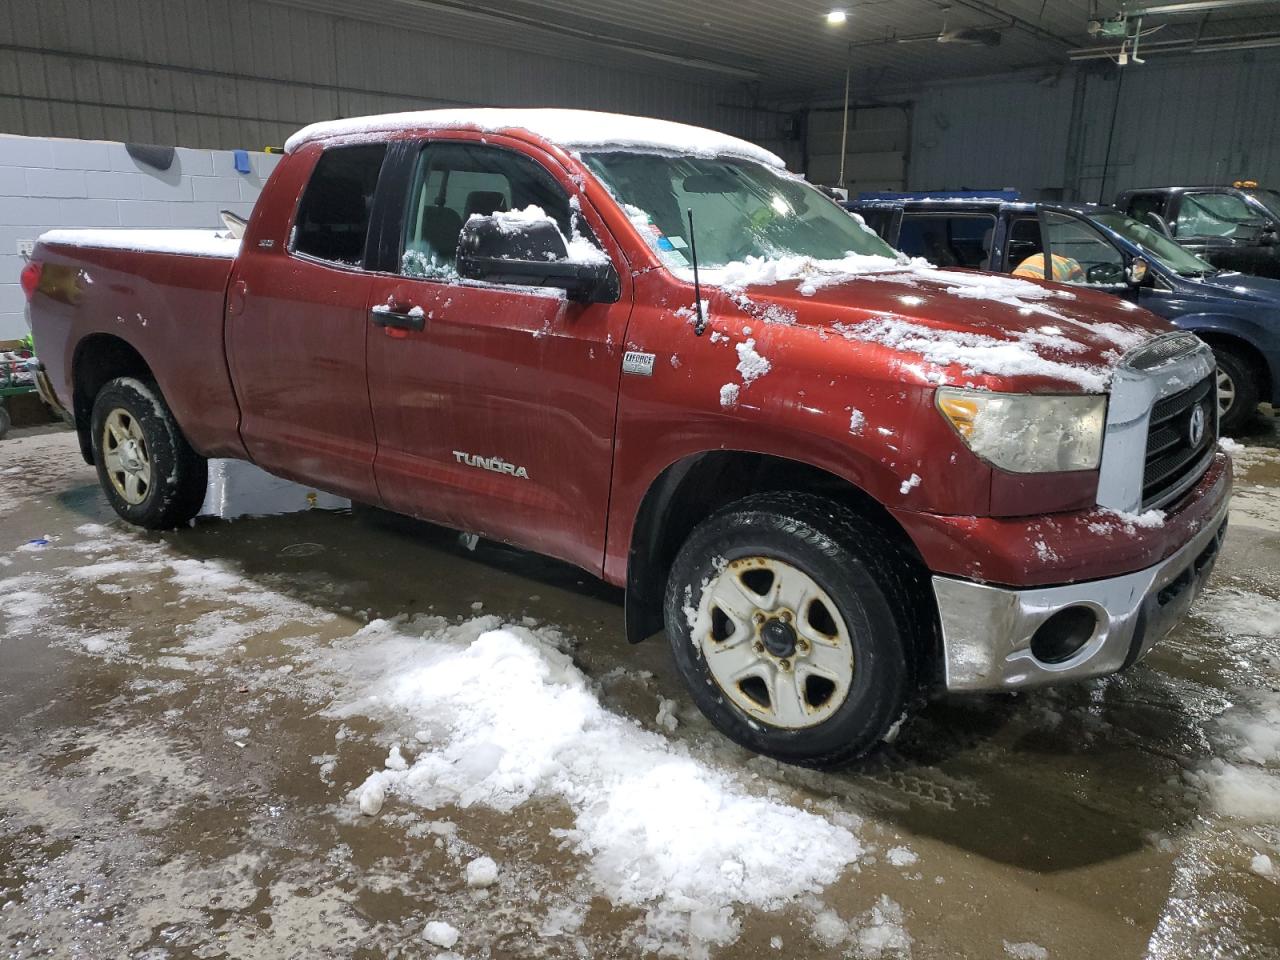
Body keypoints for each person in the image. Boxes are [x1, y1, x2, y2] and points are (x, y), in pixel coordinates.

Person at [1012, 252, 1085, 282]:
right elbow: (1081, 284)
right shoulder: (1071, 265)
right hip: (1036, 283)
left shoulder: (1044, 256)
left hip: (1014, 279)